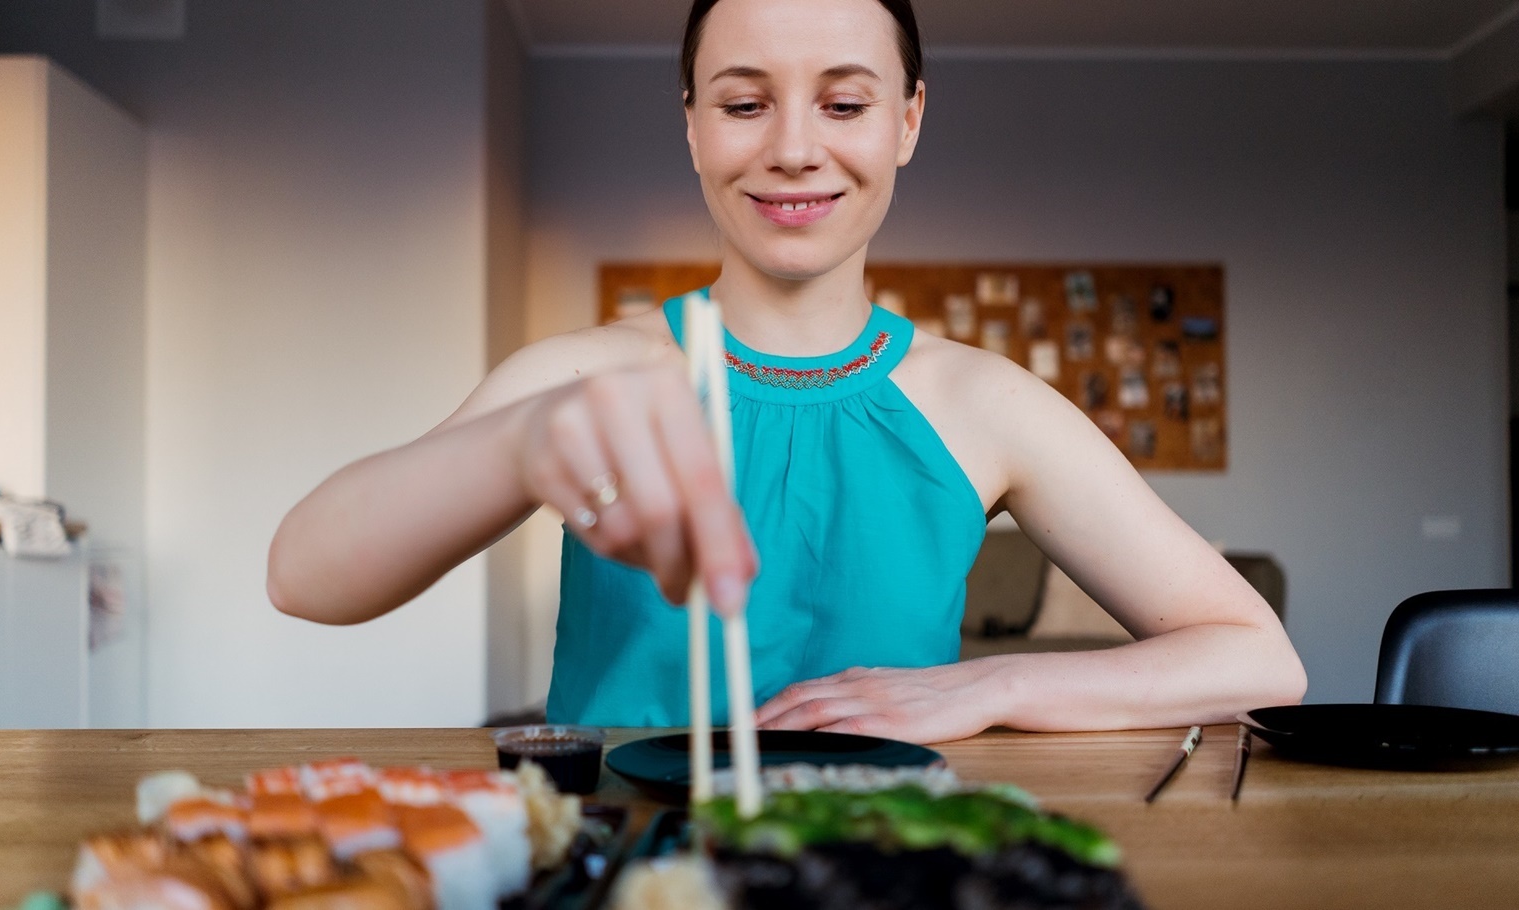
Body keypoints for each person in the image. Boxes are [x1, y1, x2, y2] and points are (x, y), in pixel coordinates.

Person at [267, 0, 1306, 743]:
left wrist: (990, 686)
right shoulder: (583, 370)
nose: (795, 149)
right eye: (744, 102)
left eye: (845, 105)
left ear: (908, 121)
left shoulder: (987, 404)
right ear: (691, 123)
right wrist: (523, 441)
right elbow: (302, 576)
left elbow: (1258, 657)